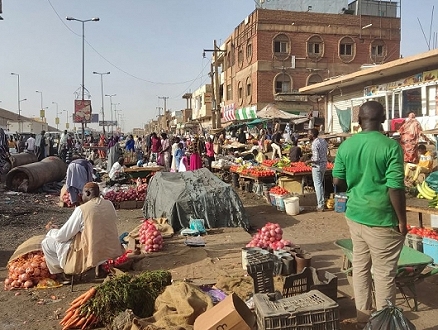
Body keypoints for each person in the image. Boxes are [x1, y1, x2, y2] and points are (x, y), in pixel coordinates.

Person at [332, 101, 407, 328]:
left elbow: (337, 181)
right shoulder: (391, 146)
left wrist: (356, 184)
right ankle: (382, 325)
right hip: (382, 220)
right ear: (383, 119)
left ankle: (363, 319)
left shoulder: (347, 145)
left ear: (358, 121)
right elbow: (395, 187)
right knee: (384, 274)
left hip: (355, 215)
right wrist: (403, 221)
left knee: (361, 267)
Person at [42, 182, 124, 279]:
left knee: (46, 243)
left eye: (83, 193)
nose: (81, 196)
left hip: (91, 253)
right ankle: (100, 266)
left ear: (88, 193)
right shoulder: (109, 204)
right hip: (111, 251)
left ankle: (64, 275)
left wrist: (52, 232)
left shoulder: (81, 210)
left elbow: (61, 237)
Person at [305, 128, 328, 212]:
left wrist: (308, 161)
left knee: (318, 185)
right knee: (320, 184)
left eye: (308, 134)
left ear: (312, 135)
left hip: (317, 166)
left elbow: (316, 158)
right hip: (324, 165)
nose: (307, 135)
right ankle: (322, 202)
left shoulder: (314, 144)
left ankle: (320, 205)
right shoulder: (322, 141)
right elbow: (326, 151)